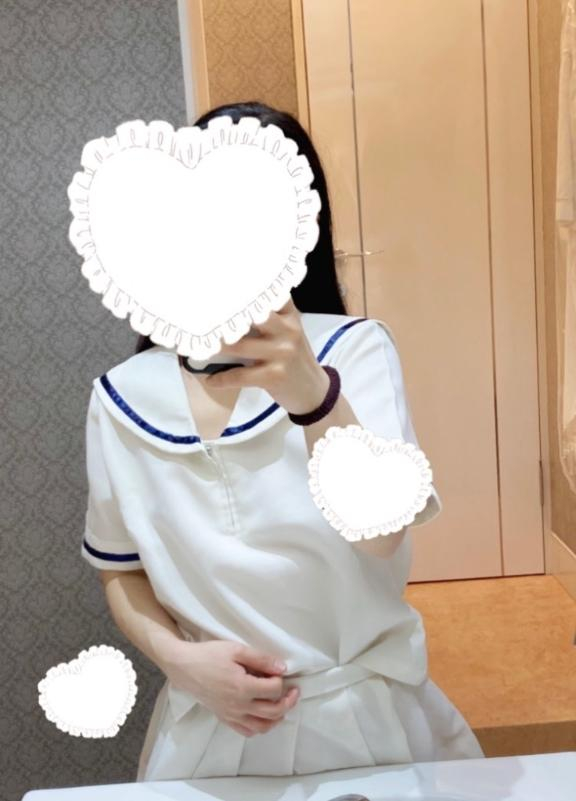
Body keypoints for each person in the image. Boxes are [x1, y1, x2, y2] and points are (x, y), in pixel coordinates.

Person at [82, 100, 485, 780]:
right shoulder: (121, 395)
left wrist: (311, 394)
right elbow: (121, 568)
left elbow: (382, 537)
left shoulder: (354, 351)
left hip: (366, 721)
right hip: (208, 726)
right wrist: (180, 661)